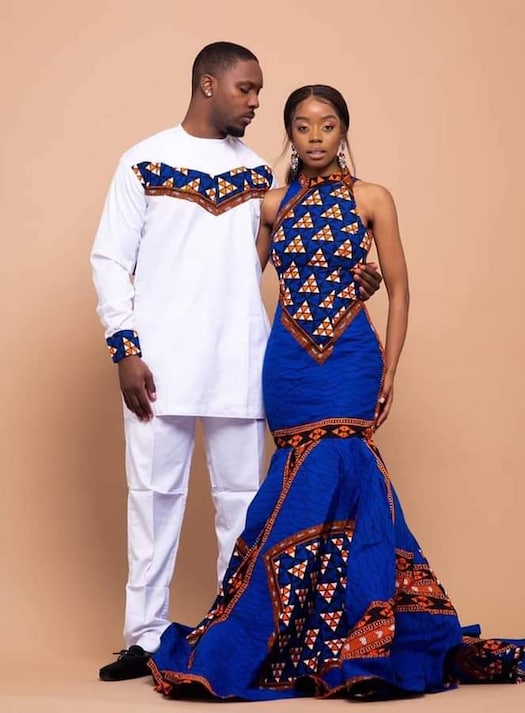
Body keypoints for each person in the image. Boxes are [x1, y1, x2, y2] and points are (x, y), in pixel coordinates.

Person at [148, 85, 525, 701]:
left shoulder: (373, 198)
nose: (315, 136)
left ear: (344, 131)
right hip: (288, 365)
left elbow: (400, 288)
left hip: (352, 360)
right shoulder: (271, 204)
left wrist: (390, 367)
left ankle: (368, 643)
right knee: (300, 488)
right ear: (289, 135)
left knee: (349, 474)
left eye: (328, 124)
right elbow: (235, 287)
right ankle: (292, 640)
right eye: (302, 125)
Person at [91, 45, 381, 682]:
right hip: (158, 362)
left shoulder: (258, 175)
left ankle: (237, 636)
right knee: (152, 499)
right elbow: (110, 259)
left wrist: (357, 280)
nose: (256, 103)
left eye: (258, 91)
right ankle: (144, 637)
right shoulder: (143, 160)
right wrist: (125, 348)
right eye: (246, 90)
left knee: (245, 505)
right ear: (208, 84)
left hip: (244, 359)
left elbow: (300, 253)